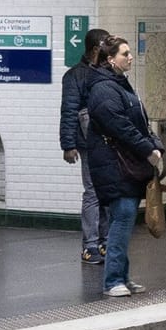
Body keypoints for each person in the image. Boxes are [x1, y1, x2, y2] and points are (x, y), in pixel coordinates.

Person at [83, 36, 162, 298]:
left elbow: (140, 121)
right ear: (110, 59)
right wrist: (146, 148)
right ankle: (113, 280)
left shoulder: (120, 85)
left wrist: (155, 144)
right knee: (123, 217)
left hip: (122, 164)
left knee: (122, 219)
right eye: (124, 53)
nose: (130, 57)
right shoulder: (104, 89)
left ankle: (123, 278)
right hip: (113, 165)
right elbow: (120, 125)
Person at [60, 28, 113, 267]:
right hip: (88, 142)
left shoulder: (108, 72)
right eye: (106, 45)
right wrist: (68, 144)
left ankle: (105, 240)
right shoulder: (75, 76)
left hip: (109, 141)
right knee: (92, 191)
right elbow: (69, 110)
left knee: (106, 191)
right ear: (95, 48)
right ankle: (90, 244)